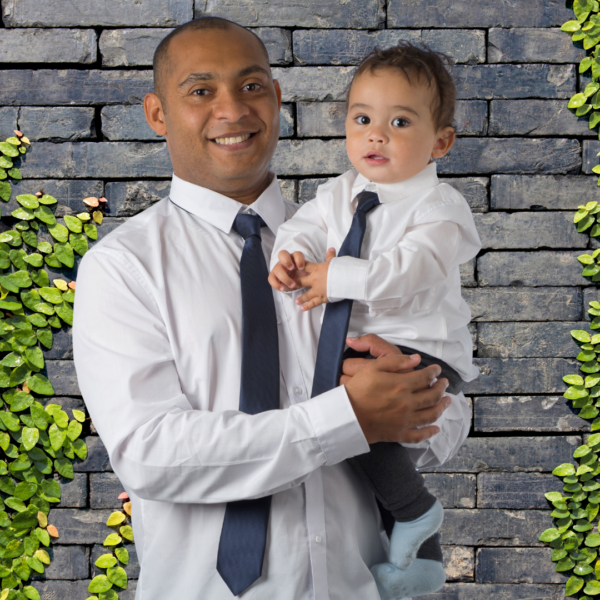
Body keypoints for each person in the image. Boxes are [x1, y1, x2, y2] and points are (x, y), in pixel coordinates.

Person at [72, 17, 467, 600]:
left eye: (252, 86)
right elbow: (150, 454)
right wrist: (345, 418)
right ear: (157, 114)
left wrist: (411, 392)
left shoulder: (353, 241)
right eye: (201, 91)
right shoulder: (124, 267)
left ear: (277, 99)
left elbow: (448, 418)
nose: (232, 110)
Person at [269, 42, 480, 600]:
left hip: (423, 348)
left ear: (441, 141)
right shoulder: (341, 193)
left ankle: (416, 511)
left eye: (400, 121)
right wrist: (288, 257)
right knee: (349, 428)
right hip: (363, 345)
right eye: (362, 119)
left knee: (355, 419)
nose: (376, 134)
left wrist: (334, 279)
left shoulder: (440, 209)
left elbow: (408, 273)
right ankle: (423, 561)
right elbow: (306, 229)